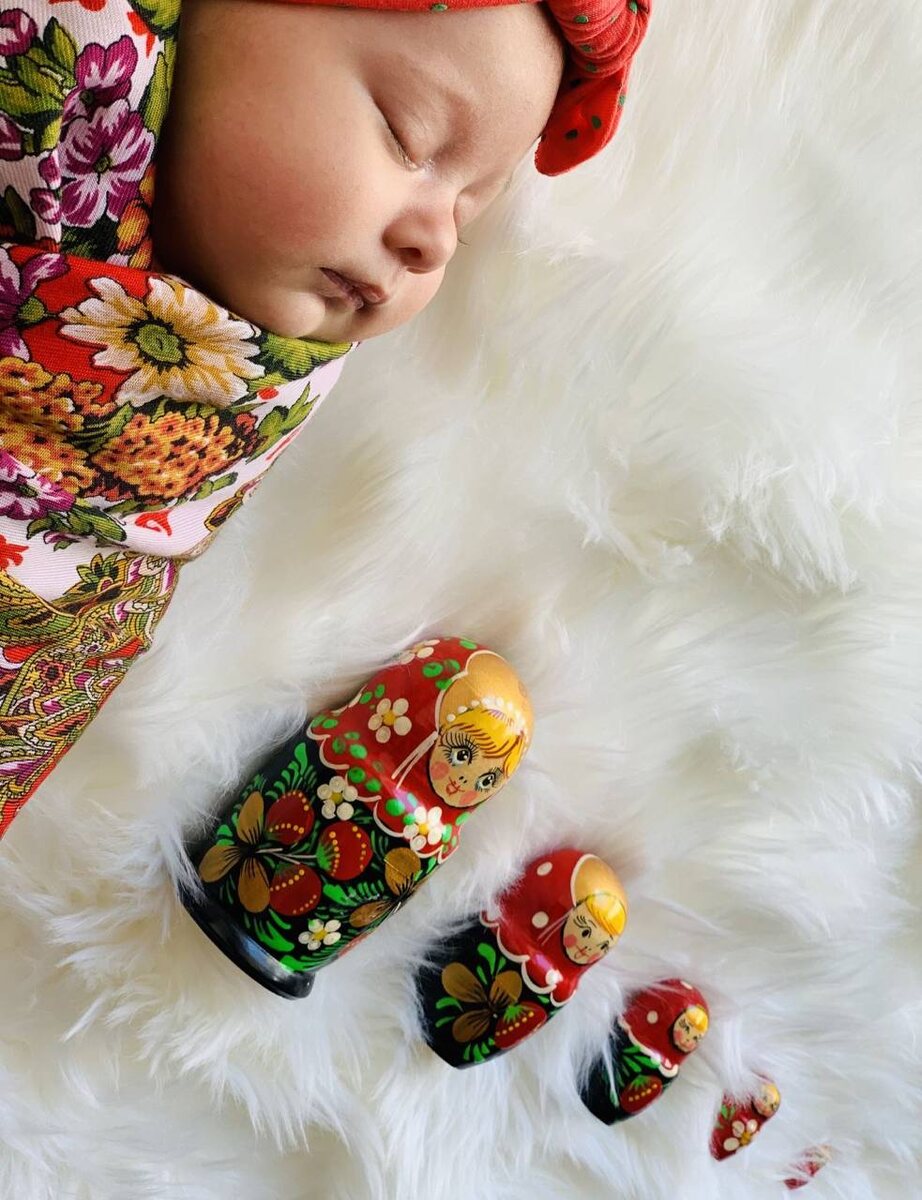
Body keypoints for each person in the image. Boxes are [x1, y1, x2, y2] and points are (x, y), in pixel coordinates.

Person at [0, 0, 650, 837]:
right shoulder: (66, 64)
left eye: (468, 210)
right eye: (410, 139)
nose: (435, 241)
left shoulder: (262, 388)